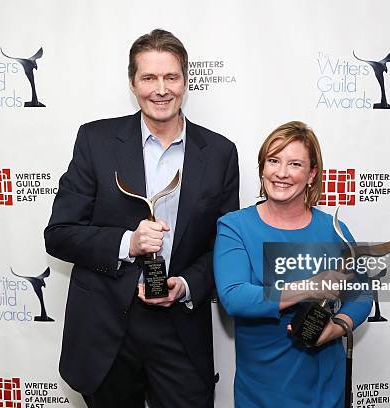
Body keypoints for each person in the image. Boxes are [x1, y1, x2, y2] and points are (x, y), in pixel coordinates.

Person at [45, 29, 239, 408]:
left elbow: (225, 246)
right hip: (106, 330)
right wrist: (127, 244)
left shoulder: (219, 152)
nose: (161, 89)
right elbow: (59, 234)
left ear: (186, 81)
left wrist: (184, 285)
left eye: (171, 77)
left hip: (179, 329)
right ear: (133, 83)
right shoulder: (95, 141)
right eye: (149, 77)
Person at [213, 121, 372, 408]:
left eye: (295, 164)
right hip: (262, 390)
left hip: (325, 388)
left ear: (312, 174)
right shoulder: (235, 227)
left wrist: (337, 327)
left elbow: (361, 293)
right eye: (273, 161)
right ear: (262, 168)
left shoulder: (333, 230)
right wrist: (309, 287)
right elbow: (234, 296)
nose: (282, 173)